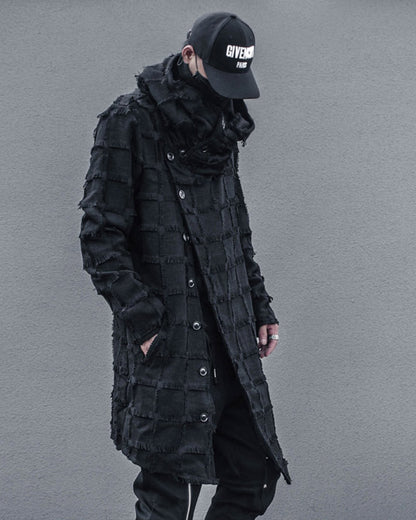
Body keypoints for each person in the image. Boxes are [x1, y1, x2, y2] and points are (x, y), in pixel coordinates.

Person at [78, 11, 291, 520]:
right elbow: (99, 237)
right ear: (188, 54)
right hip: (173, 337)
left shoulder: (221, 126)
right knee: (171, 497)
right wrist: (148, 325)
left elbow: (235, 226)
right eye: (216, 76)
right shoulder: (129, 121)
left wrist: (258, 304)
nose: (224, 92)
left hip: (229, 331)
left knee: (254, 475)